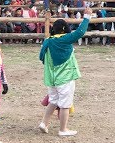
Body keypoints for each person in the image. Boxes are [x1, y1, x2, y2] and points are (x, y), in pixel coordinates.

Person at [38, 8, 92, 136]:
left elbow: (41, 57)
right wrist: (87, 17)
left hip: (51, 78)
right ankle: (63, 129)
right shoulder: (65, 39)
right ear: (64, 29)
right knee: (65, 104)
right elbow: (80, 32)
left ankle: (44, 123)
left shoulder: (47, 41)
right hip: (65, 76)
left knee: (53, 101)